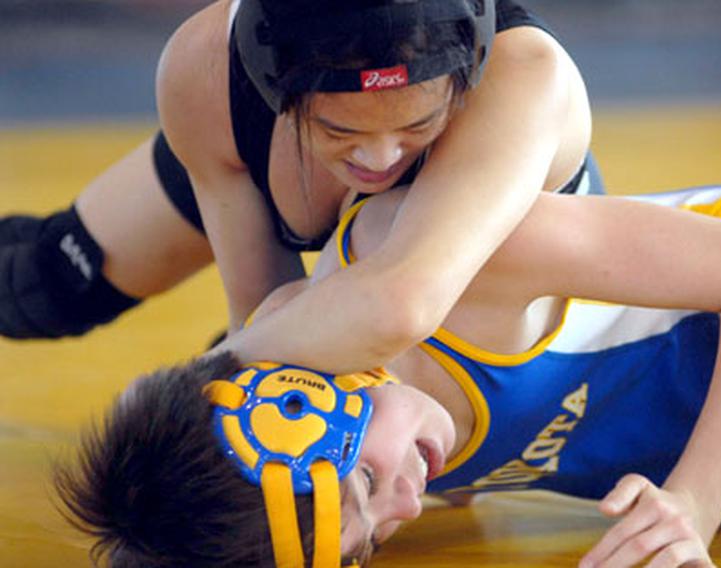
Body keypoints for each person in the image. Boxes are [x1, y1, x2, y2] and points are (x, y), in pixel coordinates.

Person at [55, 186, 721, 567]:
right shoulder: (312, 466)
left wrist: (695, 501)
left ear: (297, 395)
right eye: (369, 544)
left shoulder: (425, 271)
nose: (402, 507)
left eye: (363, 481)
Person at [0, 0, 600, 375]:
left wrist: (181, 389)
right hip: (264, 146)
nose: (379, 157)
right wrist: (227, 368)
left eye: (417, 125)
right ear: (271, 86)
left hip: (455, 288)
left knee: (303, 384)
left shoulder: (522, 80)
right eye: (340, 129)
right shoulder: (209, 68)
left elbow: (398, 305)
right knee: (39, 281)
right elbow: (257, 319)